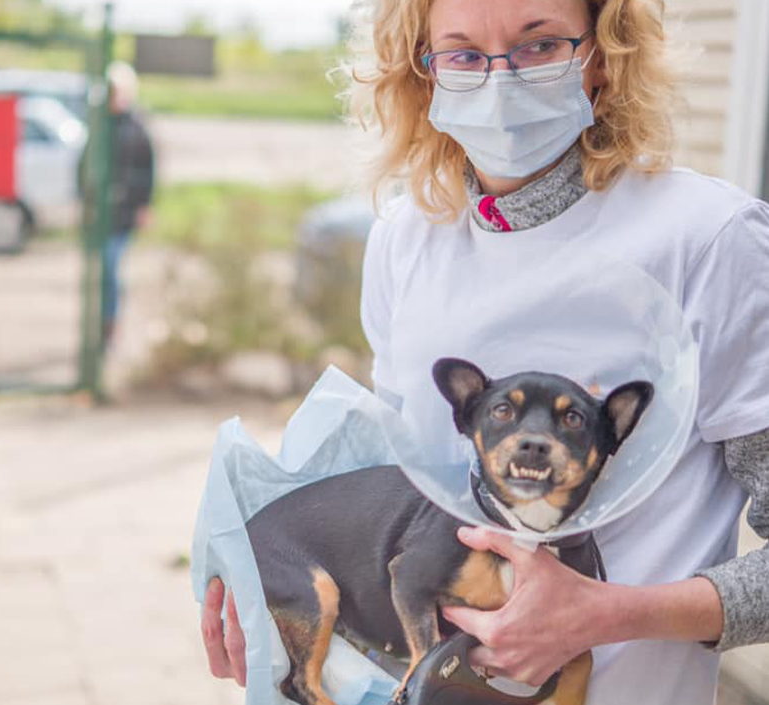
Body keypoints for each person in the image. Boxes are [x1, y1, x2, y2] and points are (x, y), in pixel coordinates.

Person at [199, 1, 769, 703]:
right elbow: (396, 503)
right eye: (464, 54)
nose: (501, 81)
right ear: (422, 72)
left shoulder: (712, 242)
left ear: (602, 54)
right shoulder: (405, 240)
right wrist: (269, 615)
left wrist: (613, 612)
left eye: (539, 45)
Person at [85, 60, 156, 350]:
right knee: (99, 271)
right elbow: (84, 166)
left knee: (112, 268)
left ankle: (111, 325)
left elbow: (148, 168)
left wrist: (144, 206)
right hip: (100, 213)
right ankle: (99, 323)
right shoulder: (99, 126)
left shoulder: (137, 127)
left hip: (124, 212)